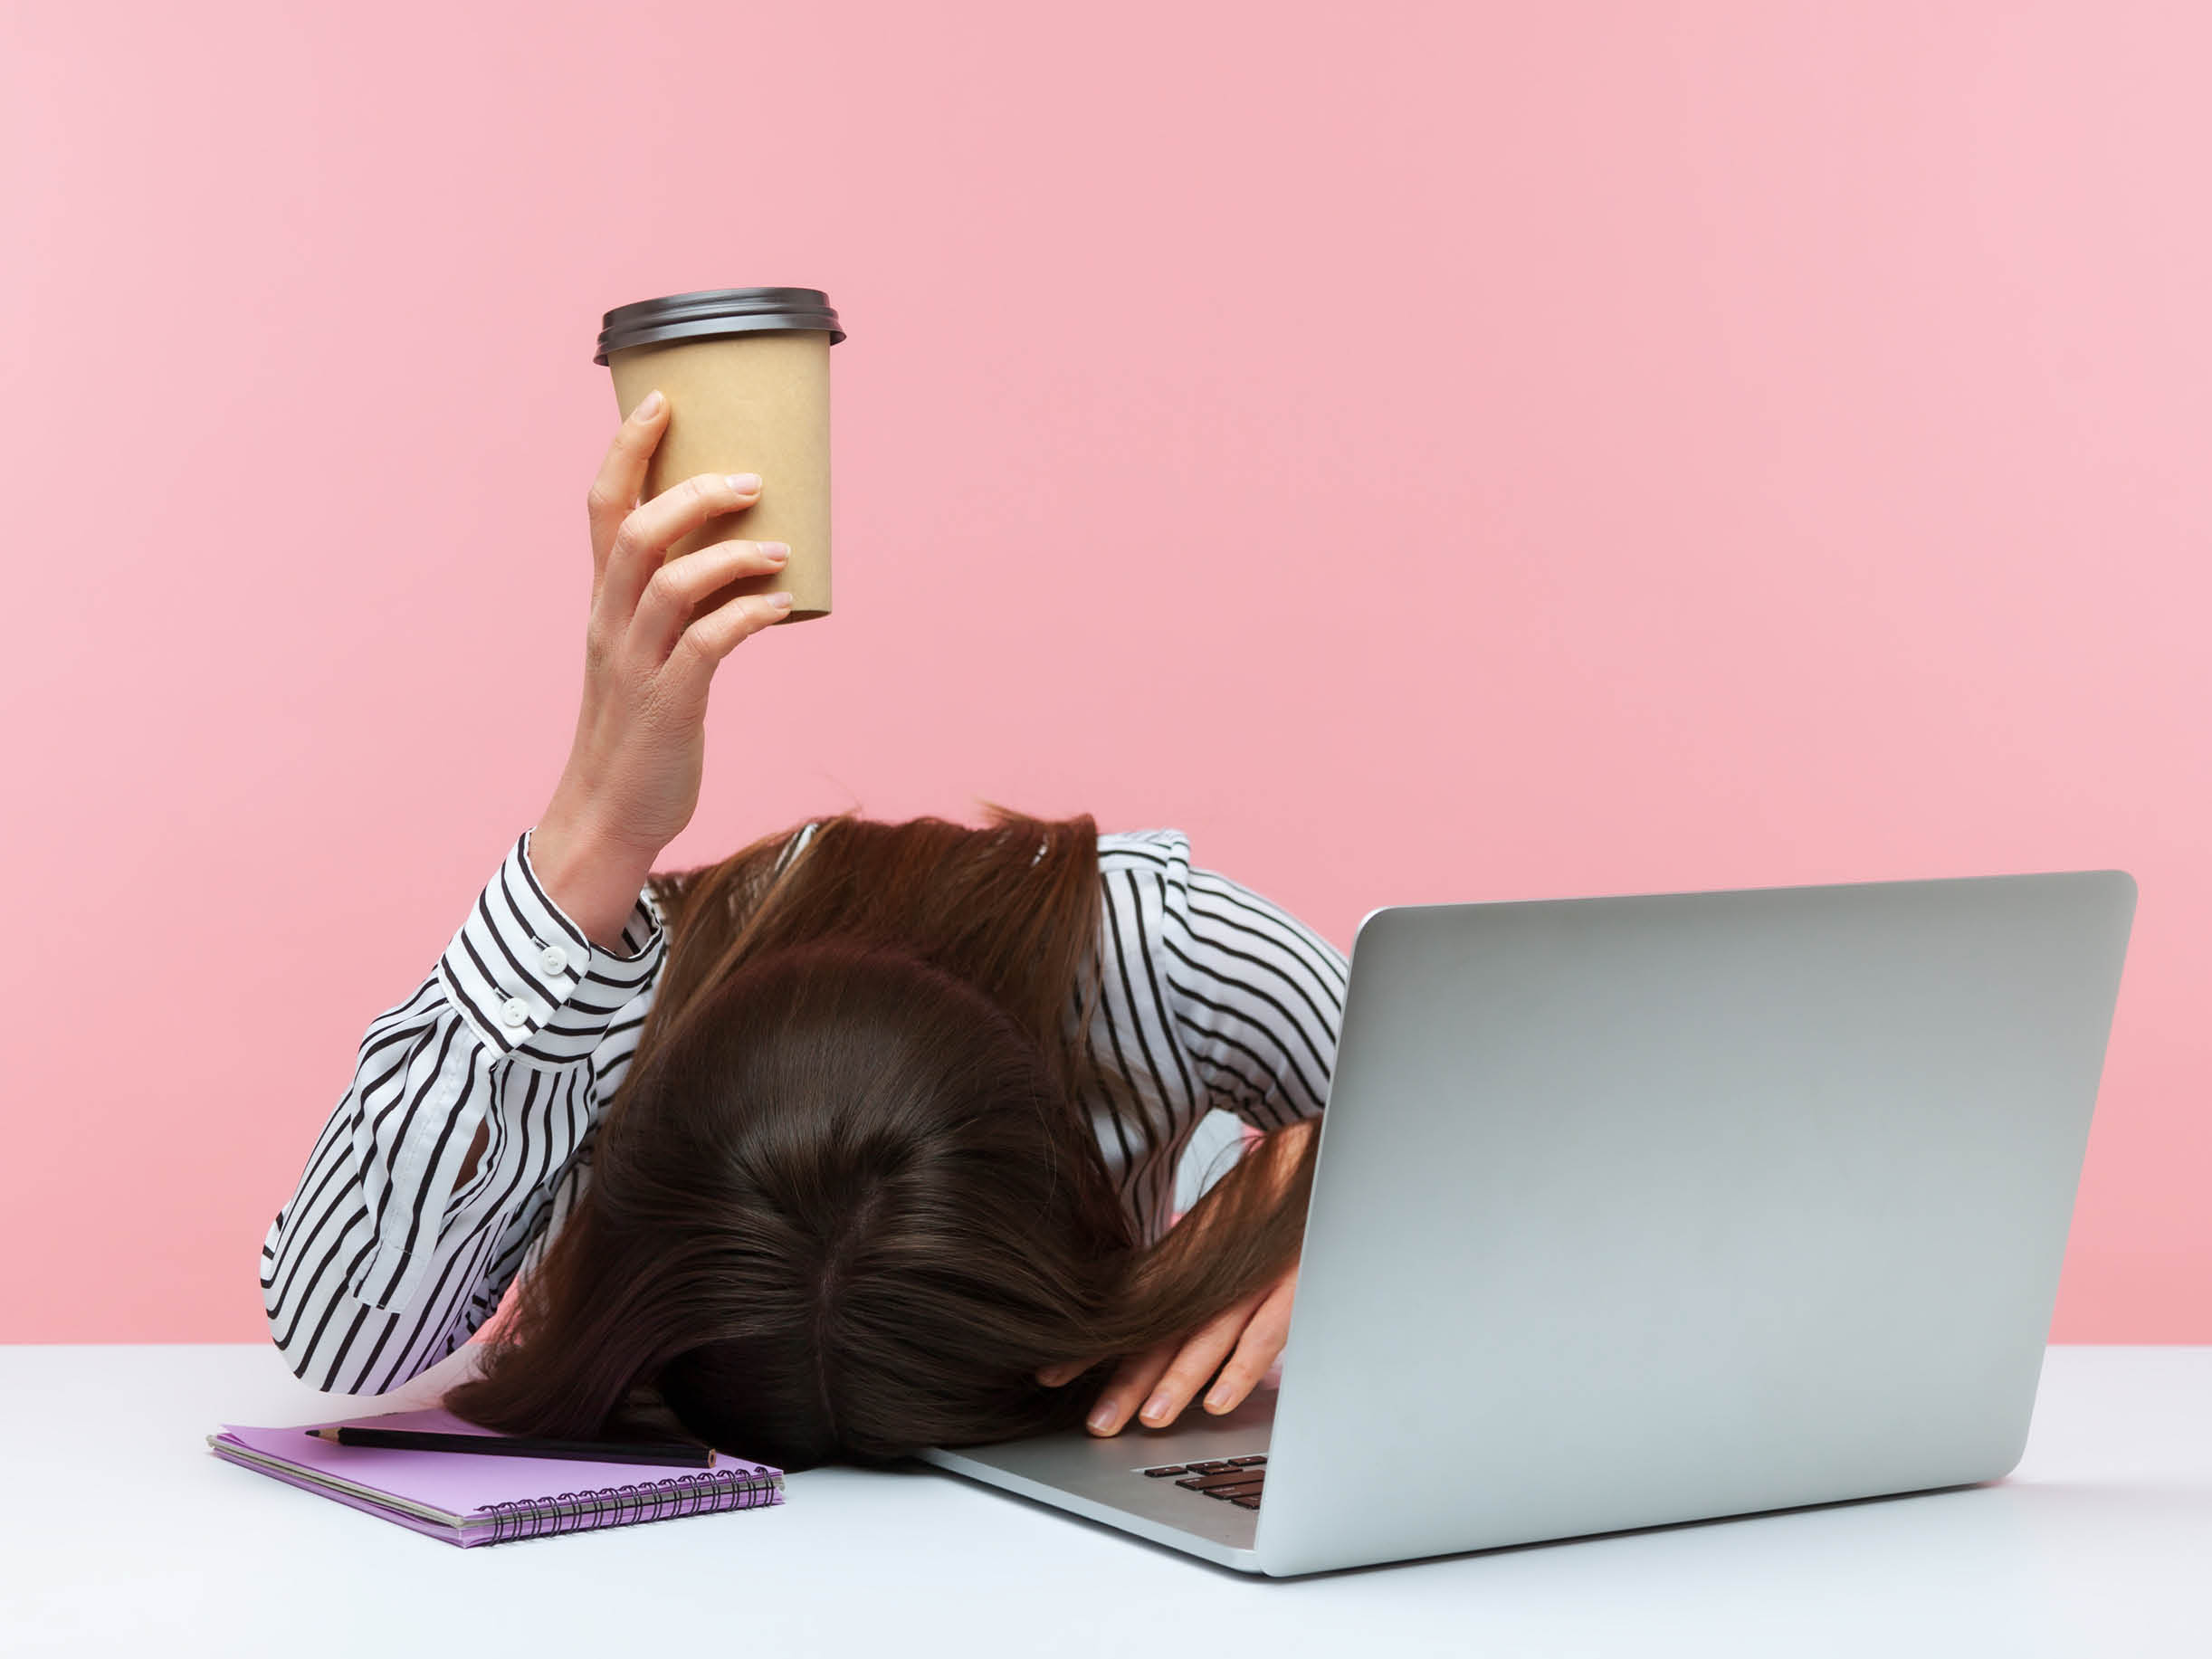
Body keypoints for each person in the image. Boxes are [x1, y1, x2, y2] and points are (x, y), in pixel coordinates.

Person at [260, 394, 1347, 1473]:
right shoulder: (602, 1015)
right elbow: (339, 1329)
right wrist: (586, 842)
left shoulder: (1155, 954)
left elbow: (1507, 1124)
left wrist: (1343, 1196)